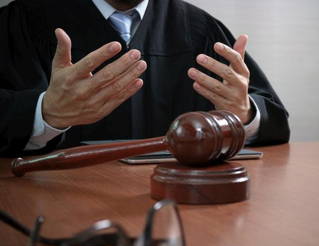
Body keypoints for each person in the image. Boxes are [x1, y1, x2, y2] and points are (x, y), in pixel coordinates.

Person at [0, 0, 290, 157]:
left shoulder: (199, 29)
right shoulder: (23, 19)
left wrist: (242, 114)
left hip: (178, 210)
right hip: (53, 207)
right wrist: (43, 113)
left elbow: (272, 119)